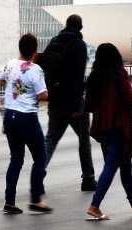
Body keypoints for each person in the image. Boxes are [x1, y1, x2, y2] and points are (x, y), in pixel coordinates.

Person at [85, 43, 132, 221]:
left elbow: (89, 105)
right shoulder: (119, 74)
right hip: (119, 126)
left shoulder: (94, 77)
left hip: (101, 127)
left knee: (125, 165)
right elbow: (128, 98)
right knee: (112, 166)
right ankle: (94, 206)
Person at [38, 14, 96, 191]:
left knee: (51, 139)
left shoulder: (54, 42)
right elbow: (77, 77)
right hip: (74, 103)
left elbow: (43, 68)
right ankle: (88, 178)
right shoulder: (79, 45)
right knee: (84, 140)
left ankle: (38, 173)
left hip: (55, 101)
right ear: (80, 28)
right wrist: (78, 104)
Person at [0, 34, 50, 214]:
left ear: (20, 48)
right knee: (40, 158)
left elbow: (1, 80)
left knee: (16, 159)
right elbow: (43, 95)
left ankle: (10, 201)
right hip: (27, 117)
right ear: (35, 51)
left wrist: (18, 89)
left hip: (9, 116)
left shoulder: (10, 64)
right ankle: (36, 199)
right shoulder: (36, 69)